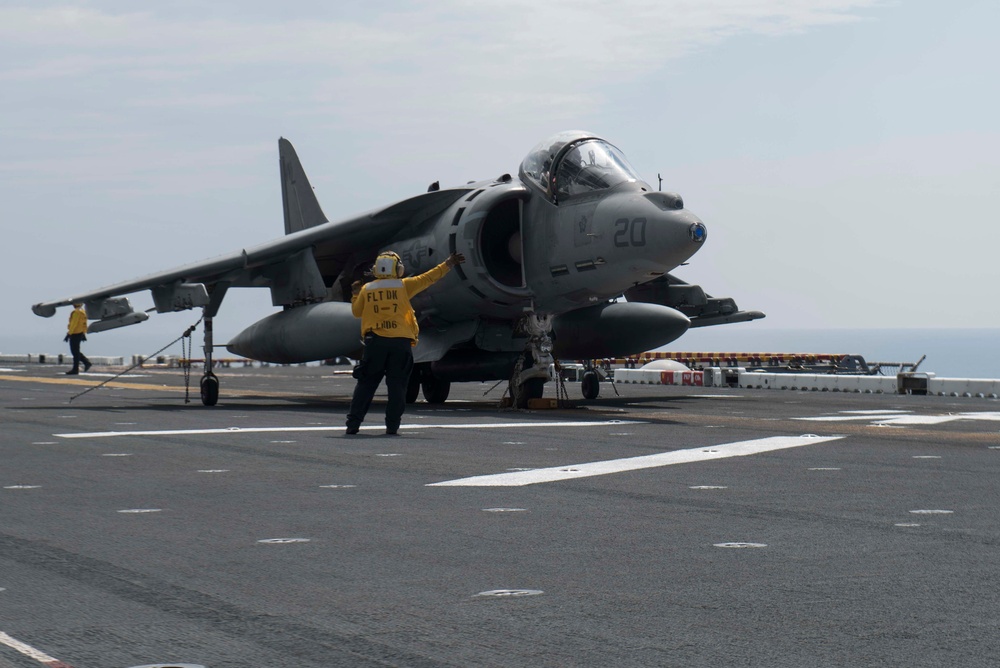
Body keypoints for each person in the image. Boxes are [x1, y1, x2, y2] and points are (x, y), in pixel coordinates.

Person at [346, 250, 466, 435]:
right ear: (397, 268)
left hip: (375, 343)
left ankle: (353, 425)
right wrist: (449, 263)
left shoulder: (366, 289)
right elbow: (429, 278)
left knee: (366, 384)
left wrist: (355, 294)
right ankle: (392, 427)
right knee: (397, 387)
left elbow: (356, 312)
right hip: (400, 344)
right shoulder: (403, 286)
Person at [65, 303, 91, 375]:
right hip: (80, 333)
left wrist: (69, 334)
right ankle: (86, 363)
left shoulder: (76, 312)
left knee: (74, 352)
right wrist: (83, 333)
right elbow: (84, 324)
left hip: (75, 333)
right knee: (76, 351)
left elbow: (74, 324)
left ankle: (76, 369)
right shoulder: (83, 312)